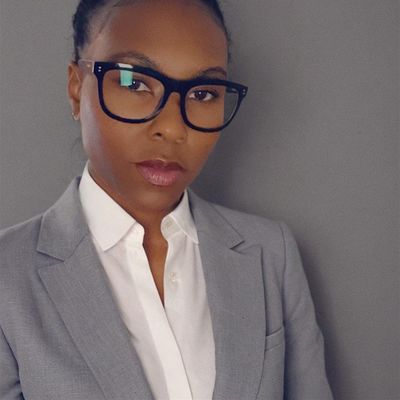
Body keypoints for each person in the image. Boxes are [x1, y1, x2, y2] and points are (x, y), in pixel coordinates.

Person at [0, 1, 333, 399]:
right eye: (134, 83)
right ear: (76, 89)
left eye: (204, 93)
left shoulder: (271, 254)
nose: (173, 128)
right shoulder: (9, 278)